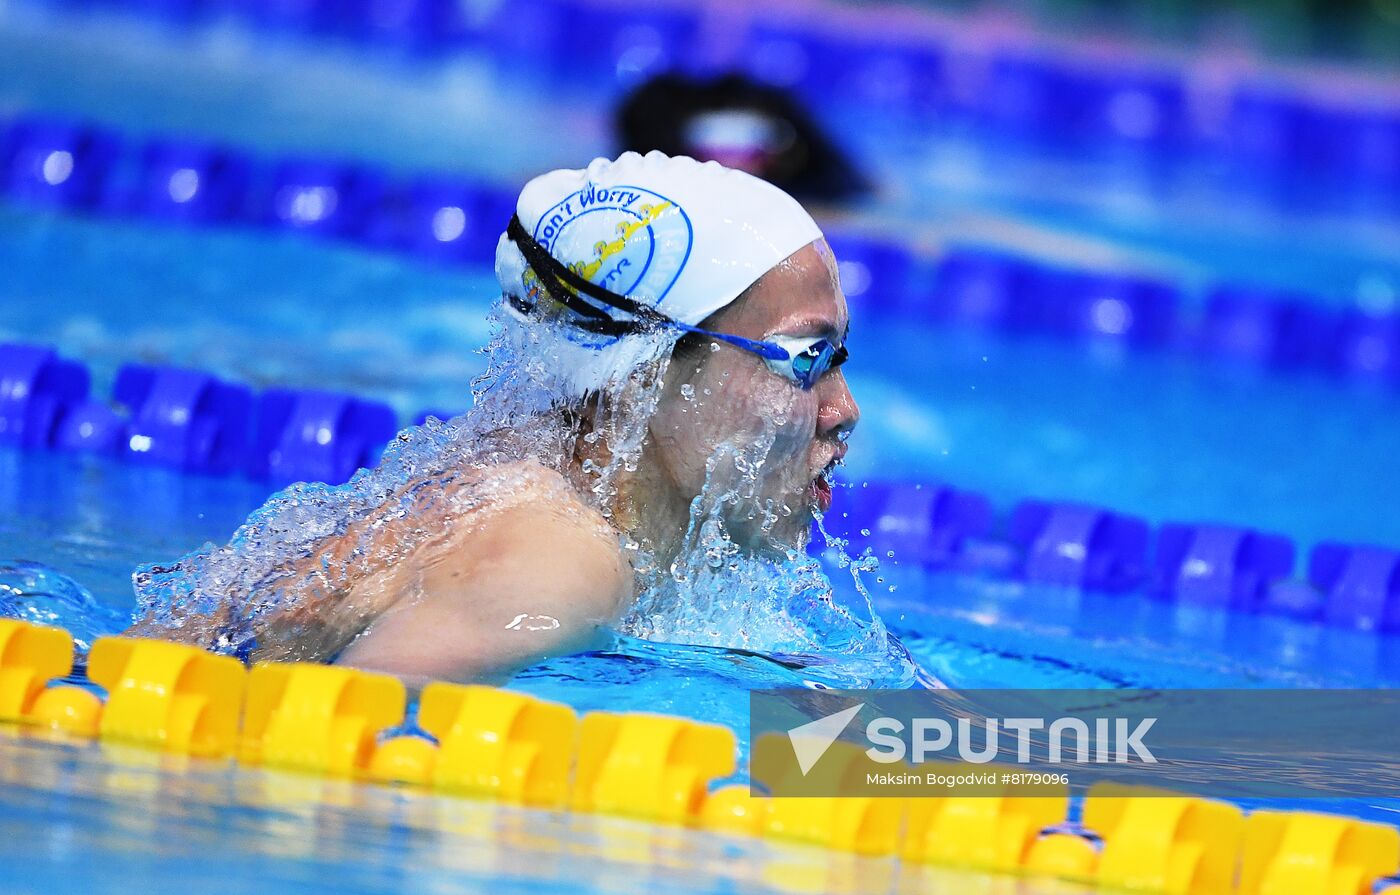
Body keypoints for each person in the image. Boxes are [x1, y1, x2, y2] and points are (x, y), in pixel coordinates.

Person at [126, 151, 861, 685]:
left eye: (841, 357)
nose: (844, 410)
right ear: (650, 371)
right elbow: (326, 744)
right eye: (804, 356)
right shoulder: (559, 566)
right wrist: (955, 763)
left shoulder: (563, 509)